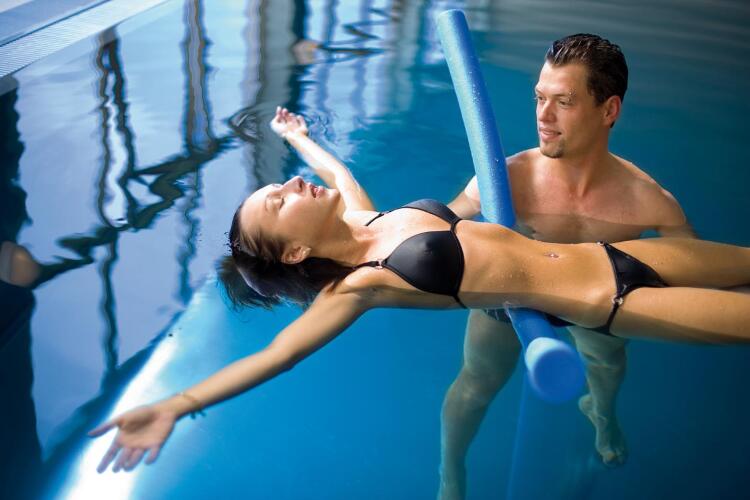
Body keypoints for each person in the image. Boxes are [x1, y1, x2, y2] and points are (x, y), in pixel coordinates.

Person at [89, 107, 750, 475]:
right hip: (611, 303)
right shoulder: (360, 286)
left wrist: (298, 138)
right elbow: (279, 355)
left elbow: (336, 174)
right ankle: (450, 474)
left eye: (280, 184)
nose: (290, 186)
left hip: (614, 255)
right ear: (294, 252)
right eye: (279, 202)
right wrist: (176, 404)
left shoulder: (367, 219)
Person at [438, 33, 696, 498]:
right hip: (512, 293)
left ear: (609, 110)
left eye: (564, 102)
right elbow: (439, 226)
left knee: (608, 364)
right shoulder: (508, 179)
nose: (543, 115)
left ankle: (601, 413)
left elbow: (696, 270)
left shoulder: (647, 201)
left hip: (596, 296)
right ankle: (450, 471)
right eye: (539, 98)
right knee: (476, 382)